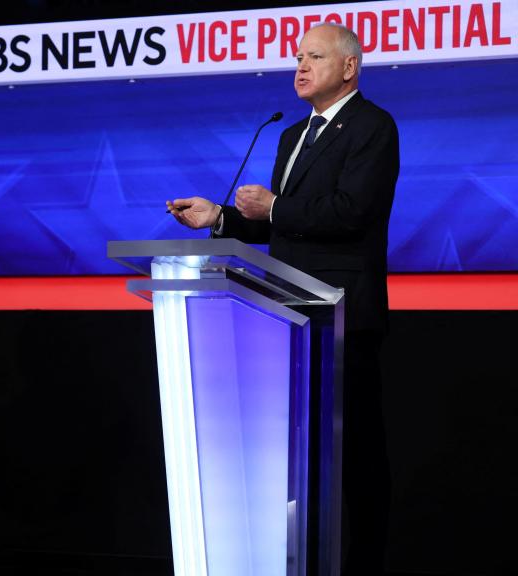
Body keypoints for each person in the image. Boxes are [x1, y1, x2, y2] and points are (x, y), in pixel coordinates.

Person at [166, 23, 398, 576]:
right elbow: (282, 229)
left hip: (343, 316)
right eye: (297, 56)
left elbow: (350, 213)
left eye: (314, 56)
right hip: (289, 317)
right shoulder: (291, 136)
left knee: (357, 456)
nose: (299, 66)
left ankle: (365, 566)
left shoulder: (373, 127)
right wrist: (219, 217)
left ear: (349, 68)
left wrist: (272, 208)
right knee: (301, 459)